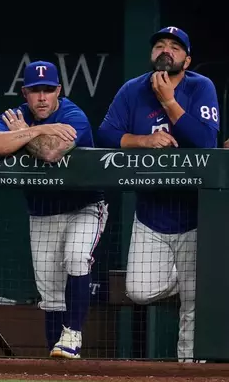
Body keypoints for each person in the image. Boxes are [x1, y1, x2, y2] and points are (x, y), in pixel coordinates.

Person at [97, 27, 219, 362]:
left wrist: (169, 101)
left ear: (187, 59)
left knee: (194, 308)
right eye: (160, 45)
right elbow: (106, 134)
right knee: (139, 291)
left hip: (196, 214)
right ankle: (192, 284)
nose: (166, 50)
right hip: (150, 211)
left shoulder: (200, 87)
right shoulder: (132, 89)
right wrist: (143, 141)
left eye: (175, 47)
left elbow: (206, 142)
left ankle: (188, 368)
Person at [0, 60, 108, 359]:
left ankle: (73, 334)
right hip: (42, 211)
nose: (42, 97)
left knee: (77, 258)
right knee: (50, 292)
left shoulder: (73, 114)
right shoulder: (16, 115)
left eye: (48, 90)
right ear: (25, 92)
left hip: (84, 206)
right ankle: (56, 361)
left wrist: (24, 133)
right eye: (36, 91)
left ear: (58, 91)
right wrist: (42, 129)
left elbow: (51, 152)